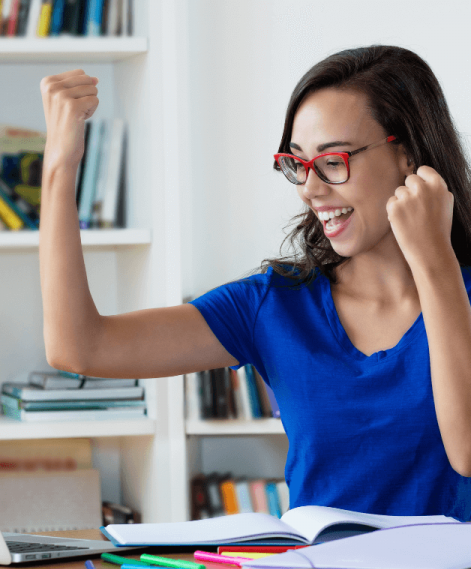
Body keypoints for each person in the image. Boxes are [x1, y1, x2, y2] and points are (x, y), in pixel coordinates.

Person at [39, 45, 471, 521]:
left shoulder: (457, 289)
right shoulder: (275, 305)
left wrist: (435, 262)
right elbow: (79, 347)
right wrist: (60, 168)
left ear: (407, 154)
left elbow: (467, 451)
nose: (310, 188)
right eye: (297, 163)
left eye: (333, 160)